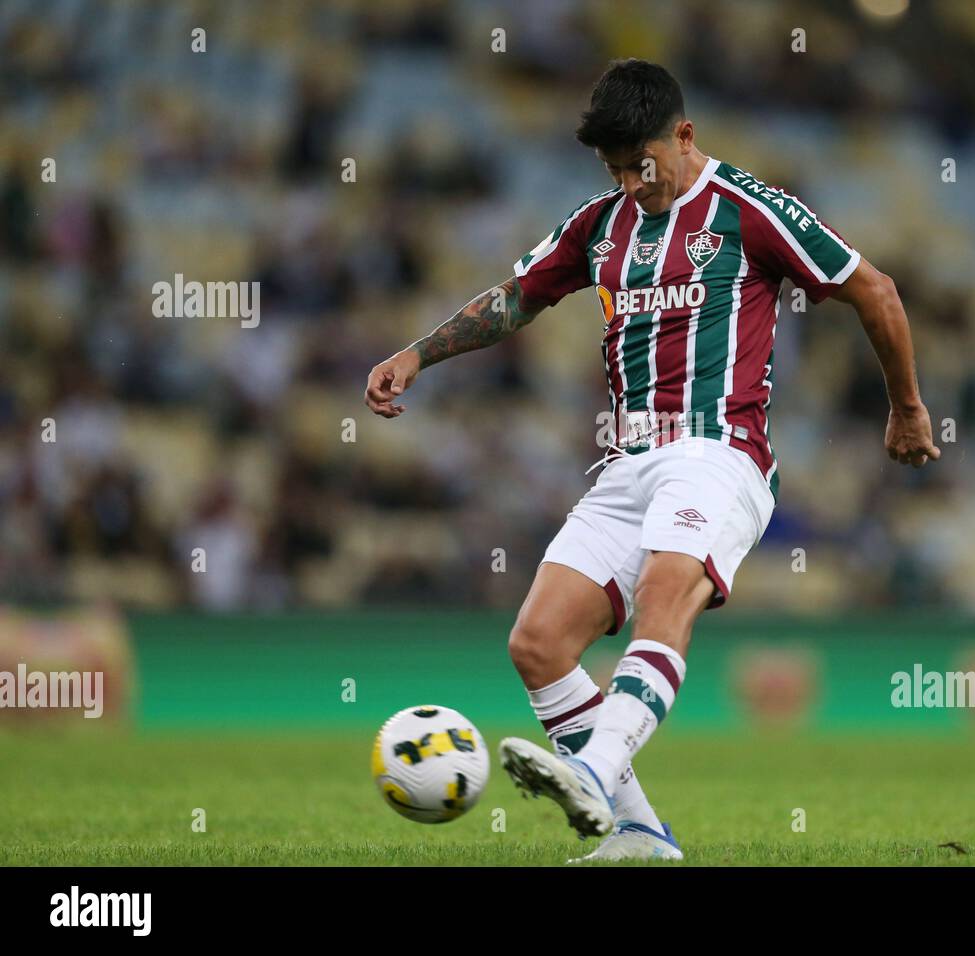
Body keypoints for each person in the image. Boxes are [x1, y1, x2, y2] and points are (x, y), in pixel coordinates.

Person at [364, 59, 939, 861]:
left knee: (667, 588)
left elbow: (873, 289)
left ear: (685, 135)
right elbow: (513, 299)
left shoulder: (748, 211)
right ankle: (637, 836)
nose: (634, 182)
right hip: (629, 460)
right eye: (615, 169)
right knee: (537, 643)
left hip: (720, 451)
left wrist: (906, 407)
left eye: (643, 162)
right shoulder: (599, 225)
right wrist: (420, 355)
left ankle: (595, 771)